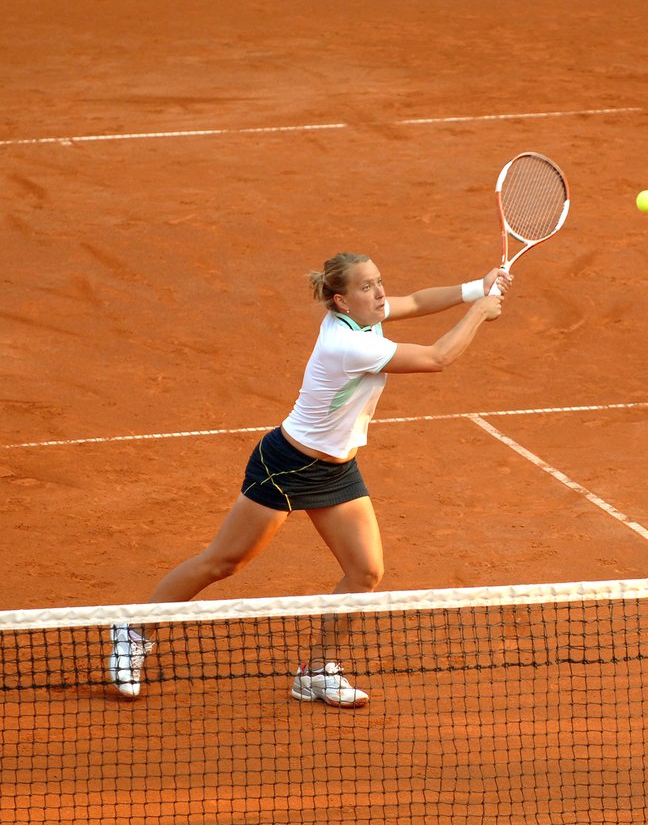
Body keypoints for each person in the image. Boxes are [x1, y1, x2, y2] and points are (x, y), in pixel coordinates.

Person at [107, 253, 511, 706]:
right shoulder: (347, 345)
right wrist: (479, 313)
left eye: (379, 282)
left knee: (365, 571)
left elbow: (415, 300)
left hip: (336, 470)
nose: (379, 293)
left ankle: (317, 670)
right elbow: (437, 357)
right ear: (340, 300)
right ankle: (133, 631)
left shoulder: (367, 318)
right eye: (366, 287)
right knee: (224, 563)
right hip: (285, 467)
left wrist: (477, 286)